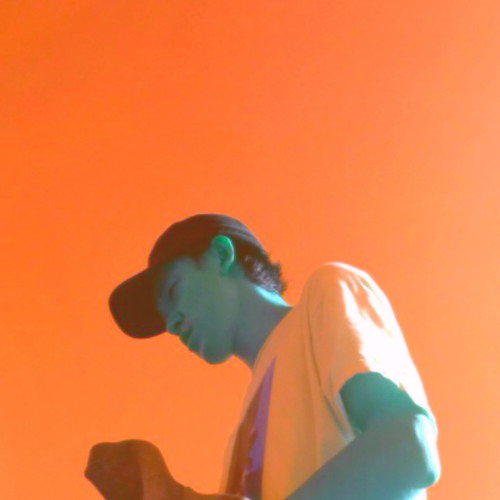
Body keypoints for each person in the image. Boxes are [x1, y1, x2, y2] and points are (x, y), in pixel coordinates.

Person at [85, 213, 440, 500]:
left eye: (174, 290)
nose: (173, 325)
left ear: (221, 255)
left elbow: (407, 445)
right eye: (165, 321)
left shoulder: (325, 294)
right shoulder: (238, 441)